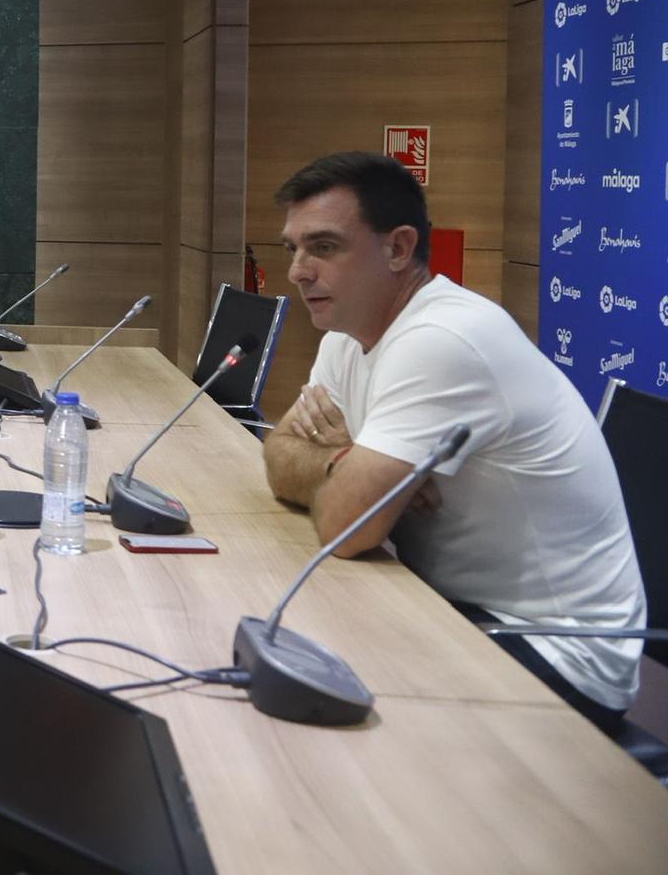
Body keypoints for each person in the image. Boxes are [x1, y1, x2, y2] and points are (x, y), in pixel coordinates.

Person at [260, 152, 647, 734]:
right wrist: (346, 461)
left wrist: (356, 484)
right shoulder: (348, 330)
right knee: (292, 651)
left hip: (553, 650)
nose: (298, 270)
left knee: (325, 711)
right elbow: (278, 455)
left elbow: (347, 526)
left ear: (397, 248)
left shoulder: (443, 340)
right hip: (447, 600)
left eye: (324, 247)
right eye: (292, 248)